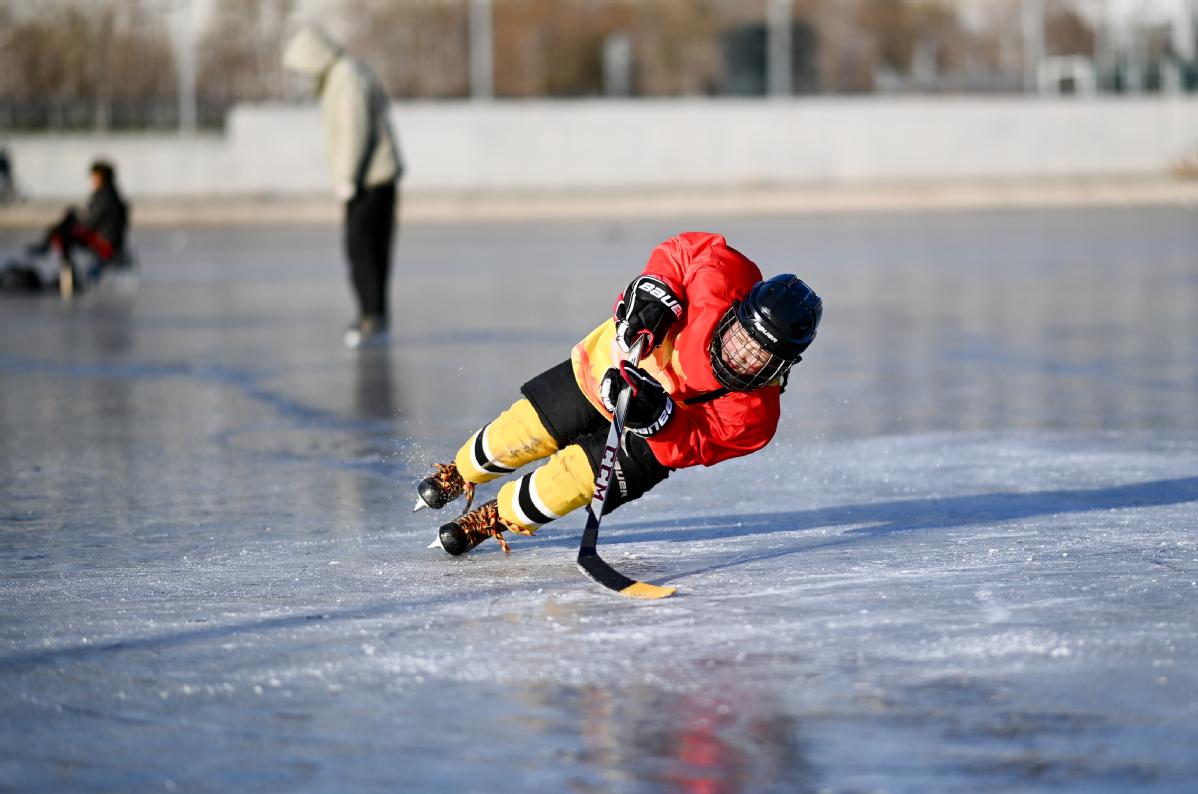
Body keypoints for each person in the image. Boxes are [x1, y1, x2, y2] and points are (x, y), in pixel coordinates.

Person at [414, 231, 823, 556]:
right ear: (737, 310)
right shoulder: (723, 271)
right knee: (525, 429)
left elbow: (695, 441)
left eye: (760, 356)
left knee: (569, 483)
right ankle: (458, 473)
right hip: (608, 365)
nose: (741, 356)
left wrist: (658, 418)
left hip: (652, 441)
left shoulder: (754, 419)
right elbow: (678, 254)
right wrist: (654, 295)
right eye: (743, 338)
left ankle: (492, 519)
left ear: (784, 365)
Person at [283, 26, 403, 349]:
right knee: (370, 251)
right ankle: (374, 315)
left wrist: (347, 179)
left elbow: (353, 130)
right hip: (375, 177)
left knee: (362, 250)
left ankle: (371, 318)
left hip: (368, 179)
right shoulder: (344, 72)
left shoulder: (345, 77)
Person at [27, 159, 129, 275]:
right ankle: (64, 269)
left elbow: (90, 222)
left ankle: (67, 274)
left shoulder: (105, 196)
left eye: (94, 177)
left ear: (102, 178)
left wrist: (75, 217)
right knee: (66, 225)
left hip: (105, 242)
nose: (92, 181)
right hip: (108, 240)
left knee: (63, 232)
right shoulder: (111, 195)